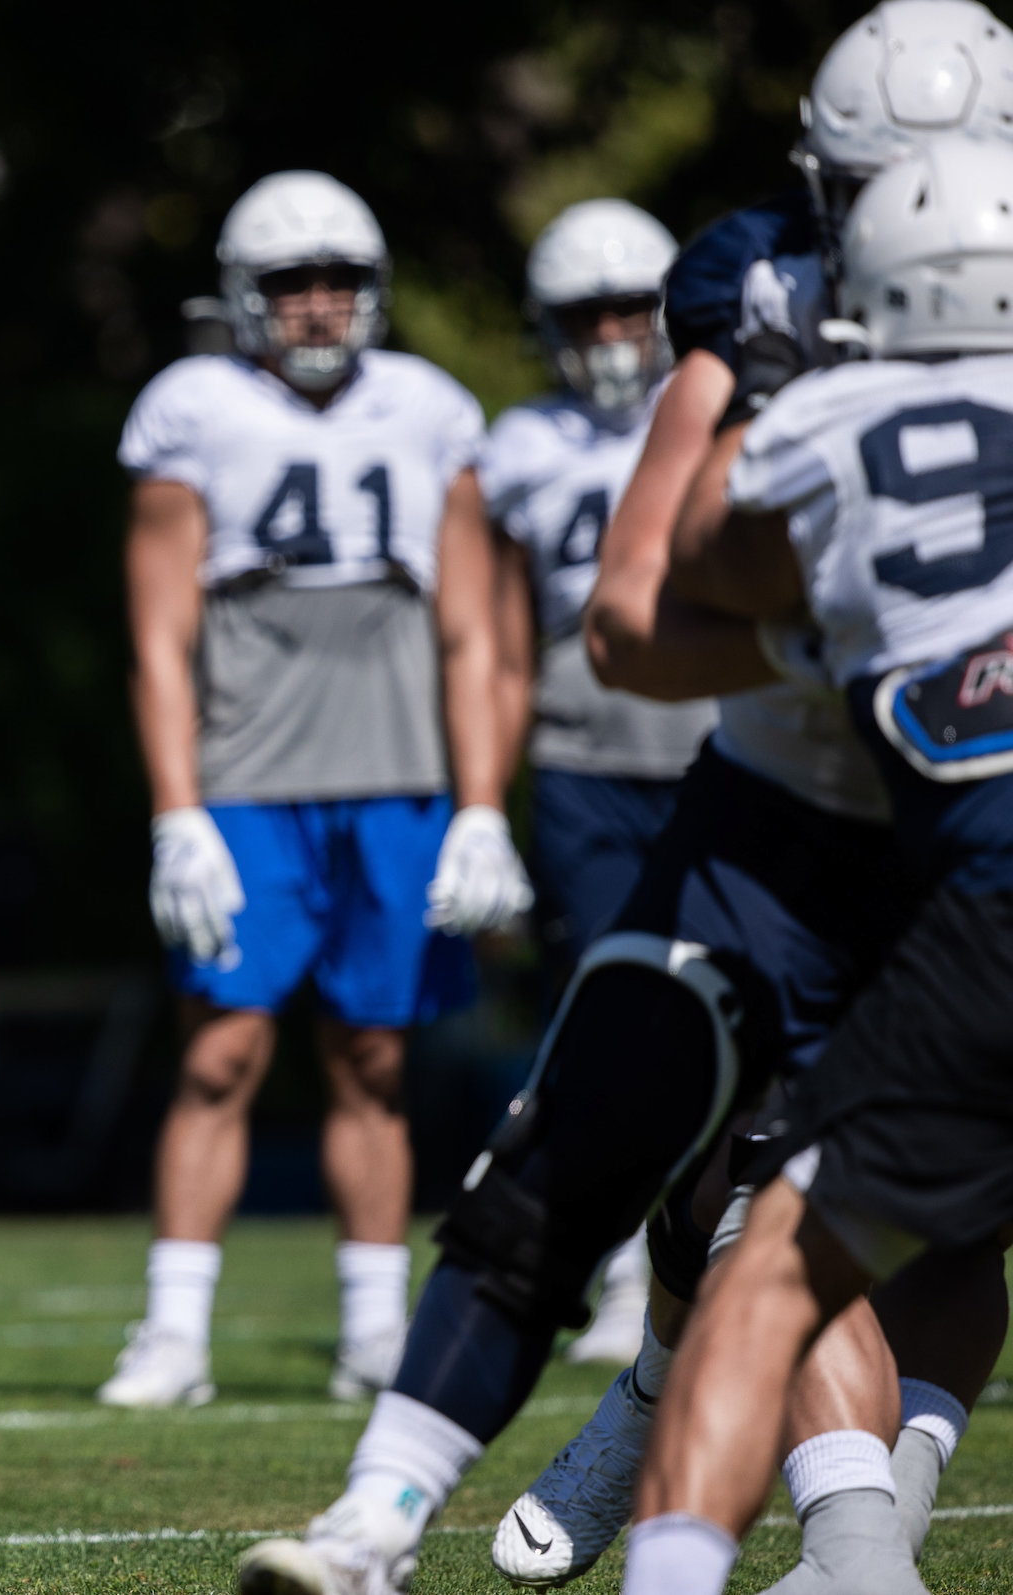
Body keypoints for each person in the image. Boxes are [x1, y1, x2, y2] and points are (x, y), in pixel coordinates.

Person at [233, 9, 1013, 1593]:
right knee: (644, 1153)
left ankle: (844, 1530)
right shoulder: (767, 296)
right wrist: (838, 629)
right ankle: (390, 1514)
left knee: (918, 1222)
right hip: (788, 813)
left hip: (958, 835)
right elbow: (630, 614)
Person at [625, 131, 1013, 1595]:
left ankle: (832, 1559)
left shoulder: (825, 417)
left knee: (767, 1256)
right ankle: (866, 1543)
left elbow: (689, 575)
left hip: (971, 899)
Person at [102, 169, 521, 1415]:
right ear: (245, 295)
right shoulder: (192, 408)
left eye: (339, 280)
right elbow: (158, 637)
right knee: (224, 1047)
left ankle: (374, 1331)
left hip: (396, 774)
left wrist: (483, 800)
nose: (320, 305)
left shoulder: (432, 409)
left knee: (375, 1055)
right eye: (293, 282)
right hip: (248, 776)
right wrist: (178, 812)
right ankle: (175, 1329)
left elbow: (474, 633)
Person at [478, 198, 714, 1368]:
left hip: (717, 753)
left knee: (740, 1016)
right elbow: (498, 639)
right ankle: (626, 1270)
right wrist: (482, 804)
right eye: (590, 312)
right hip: (580, 760)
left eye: (633, 306)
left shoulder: (723, 409)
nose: (617, 333)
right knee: (607, 1019)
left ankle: (724, 1257)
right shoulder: (517, 445)